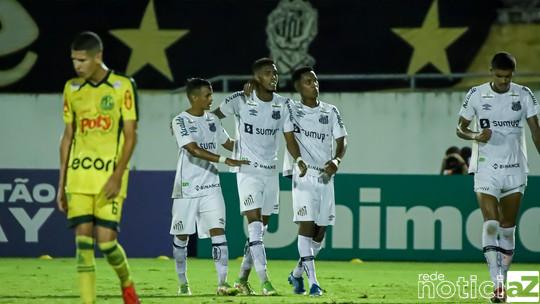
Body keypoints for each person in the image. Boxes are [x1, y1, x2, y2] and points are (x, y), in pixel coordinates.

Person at [56, 31, 140, 304]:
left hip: (109, 177)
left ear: (98, 57)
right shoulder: (71, 89)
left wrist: (118, 175)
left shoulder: (122, 86)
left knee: (106, 243)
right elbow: (68, 136)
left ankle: (126, 283)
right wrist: (61, 184)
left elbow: (131, 134)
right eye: (73, 60)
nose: (76, 65)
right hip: (78, 178)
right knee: (83, 245)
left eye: (81, 60)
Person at [212, 58, 307, 296]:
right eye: (267, 73)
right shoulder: (240, 99)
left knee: (261, 230)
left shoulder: (283, 105)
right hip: (247, 171)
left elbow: (289, 139)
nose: (274, 77)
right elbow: (211, 119)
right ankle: (265, 282)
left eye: (275, 73)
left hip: (269, 172)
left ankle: (242, 279)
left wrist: (299, 159)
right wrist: (228, 144)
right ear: (256, 78)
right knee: (254, 228)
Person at [456, 52, 540, 303]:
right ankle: (498, 286)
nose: (504, 81)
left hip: (515, 168)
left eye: (508, 77)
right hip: (485, 167)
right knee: (491, 223)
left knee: (507, 227)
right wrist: (474, 136)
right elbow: (460, 128)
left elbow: (536, 130)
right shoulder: (476, 94)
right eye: (499, 76)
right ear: (491, 71)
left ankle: (503, 276)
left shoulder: (524, 94)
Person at [169, 78, 248, 296]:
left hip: (211, 185)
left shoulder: (213, 119)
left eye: (212, 94)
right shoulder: (180, 121)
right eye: (207, 95)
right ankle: (183, 282)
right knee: (181, 236)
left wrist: (255, 145)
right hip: (186, 187)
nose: (211, 99)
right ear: (194, 97)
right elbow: (193, 149)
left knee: (218, 231)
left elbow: (229, 143)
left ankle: (222, 283)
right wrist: (225, 160)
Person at [283, 66, 347, 296]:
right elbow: (289, 137)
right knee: (307, 227)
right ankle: (314, 284)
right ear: (298, 87)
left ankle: (297, 274)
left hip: (325, 176)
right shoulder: (289, 108)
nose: (315, 85)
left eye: (316, 80)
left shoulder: (330, 111)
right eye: (309, 81)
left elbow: (342, 139)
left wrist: (337, 160)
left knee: (320, 235)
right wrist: (297, 159)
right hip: (303, 174)